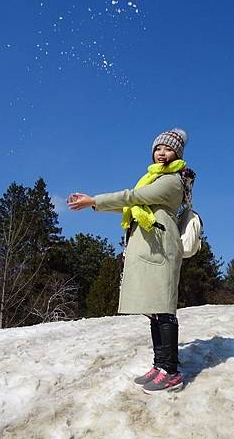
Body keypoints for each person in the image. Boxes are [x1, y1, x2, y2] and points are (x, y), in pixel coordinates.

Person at [68, 128, 193, 394]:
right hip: (151, 250)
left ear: (177, 154)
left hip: (162, 249)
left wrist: (94, 200)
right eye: (158, 148)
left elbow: (133, 198)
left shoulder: (171, 182)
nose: (162, 153)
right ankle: (160, 365)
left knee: (165, 310)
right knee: (154, 310)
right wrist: (94, 204)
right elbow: (129, 204)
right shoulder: (150, 179)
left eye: (168, 149)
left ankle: (171, 371)